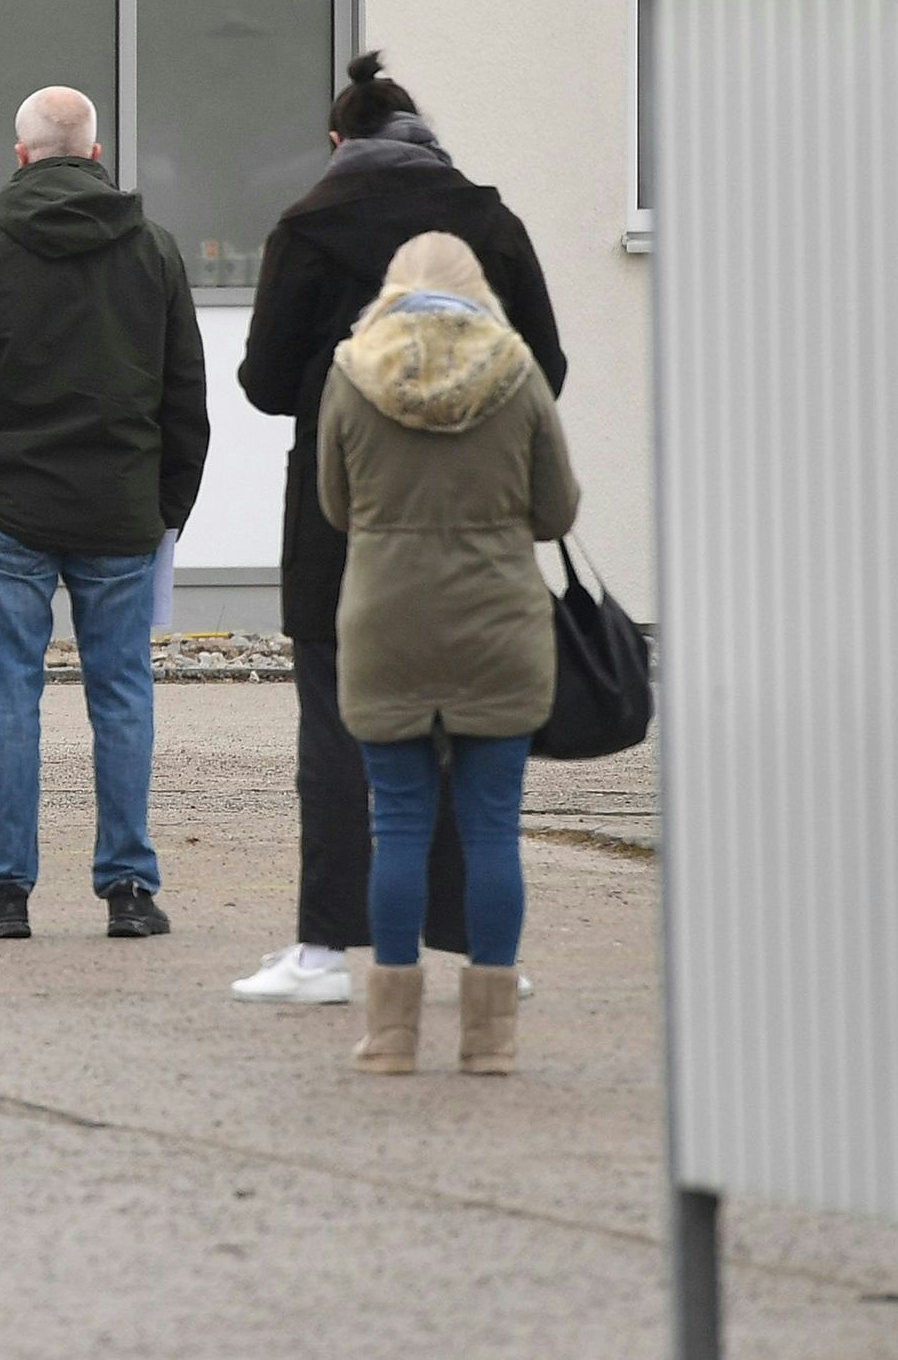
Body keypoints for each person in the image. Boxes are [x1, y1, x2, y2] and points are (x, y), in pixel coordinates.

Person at [232, 52, 565, 1007]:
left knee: (337, 737)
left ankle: (324, 953)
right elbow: (548, 364)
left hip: (347, 520)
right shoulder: (490, 222)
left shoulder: (308, 225)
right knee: (470, 737)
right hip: (480, 525)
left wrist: (345, 397)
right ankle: (476, 951)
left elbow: (262, 381)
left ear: (338, 143)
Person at [0, 87, 211, 941]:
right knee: (122, 698)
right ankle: (129, 890)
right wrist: (168, 503)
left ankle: (1, 890)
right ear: (96, 150)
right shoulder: (150, 248)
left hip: (11, 506)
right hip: (122, 507)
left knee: (9, 700)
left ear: (22, 154)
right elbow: (184, 385)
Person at [320, 233, 578, 1076]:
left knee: (395, 824)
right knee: (492, 827)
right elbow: (557, 510)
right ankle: (491, 1039)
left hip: (387, 620)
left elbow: (335, 505)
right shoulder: (518, 371)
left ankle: (392, 1036)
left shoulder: (352, 371)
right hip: (498, 621)